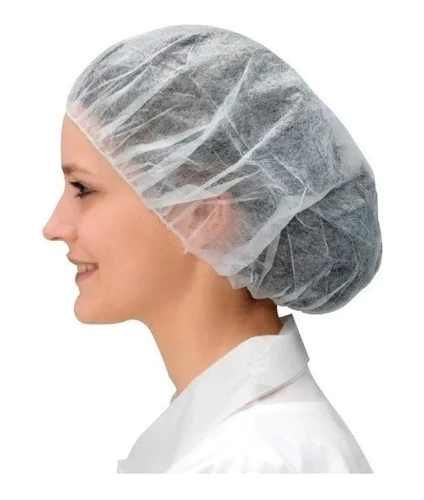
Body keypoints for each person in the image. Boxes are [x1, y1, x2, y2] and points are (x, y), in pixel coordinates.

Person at [42, 24, 382, 473]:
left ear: (201, 216)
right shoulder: (237, 445)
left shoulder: (255, 463)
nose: (54, 227)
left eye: (83, 189)